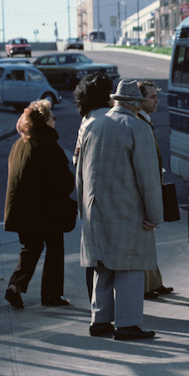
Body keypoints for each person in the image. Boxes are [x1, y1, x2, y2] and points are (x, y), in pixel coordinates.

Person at [77, 80, 163, 341]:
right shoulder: (138, 126)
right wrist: (154, 216)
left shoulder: (93, 125)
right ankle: (127, 324)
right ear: (136, 103)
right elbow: (148, 177)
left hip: (95, 209)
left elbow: (79, 171)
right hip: (127, 209)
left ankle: (99, 320)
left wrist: (84, 208)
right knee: (131, 267)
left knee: (102, 266)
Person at [2, 99, 75, 309]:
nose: (55, 119)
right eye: (52, 116)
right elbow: (64, 182)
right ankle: (51, 295)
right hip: (46, 210)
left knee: (30, 248)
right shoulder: (48, 145)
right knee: (54, 248)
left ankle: (15, 286)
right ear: (45, 121)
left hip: (22, 210)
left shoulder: (19, 144)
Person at [72, 72, 113, 300]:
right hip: (106, 196)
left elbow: (76, 159)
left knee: (93, 256)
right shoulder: (107, 119)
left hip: (88, 196)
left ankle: (95, 305)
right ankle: (105, 308)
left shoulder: (86, 120)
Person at [136, 79, 173, 300]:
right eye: (152, 97)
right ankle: (147, 286)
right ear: (140, 101)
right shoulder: (139, 122)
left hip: (153, 184)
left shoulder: (145, 120)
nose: (157, 100)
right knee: (145, 237)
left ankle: (154, 282)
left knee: (150, 240)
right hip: (146, 189)